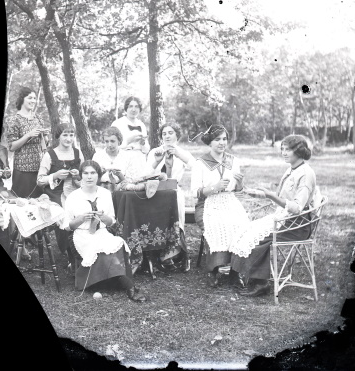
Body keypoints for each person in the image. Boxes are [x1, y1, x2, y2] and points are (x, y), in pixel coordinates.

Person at [230, 135, 319, 297]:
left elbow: (297, 208)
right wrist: (252, 191)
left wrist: (270, 195)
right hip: (285, 219)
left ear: (299, 151)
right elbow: (280, 198)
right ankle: (243, 275)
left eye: (288, 150)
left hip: (298, 226)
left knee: (258, 238)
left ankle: (261, 283)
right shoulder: (292, 169)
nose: (284, 153)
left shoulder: (306, 174)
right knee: (248, 230)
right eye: (282, 149)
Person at [62, 160, 147, 302]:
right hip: (82, 235)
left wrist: (103, 217)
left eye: (93, 173)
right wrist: (81, 218)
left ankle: (124, 283)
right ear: (81, 175)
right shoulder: (73, 197)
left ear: (99, 175)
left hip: (101, 232)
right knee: (101, 248)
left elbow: (111, 222)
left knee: (117, 243)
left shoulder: (106, 194)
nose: (89, 177)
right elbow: (67, 227)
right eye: (86, 173)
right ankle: (129, 286)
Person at [190, 124, 248, 287]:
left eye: (224, 139)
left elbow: (238, 190)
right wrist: (214, 187)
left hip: (229, 201)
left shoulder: (233, 161)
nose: (222, 143)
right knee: (215, 224)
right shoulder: (200, 163)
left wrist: (240, 183)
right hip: (207, 203)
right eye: (217, 139)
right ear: (210, 142)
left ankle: (235, 271)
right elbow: (194, 192)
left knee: (241, 225)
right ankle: (214, 269)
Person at [147, 121, 196, 271]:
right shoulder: (155, 152)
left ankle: (179, 255)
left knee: (177, 218)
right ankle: (159, 255)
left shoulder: (182, 152)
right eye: (164, 134)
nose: (167, 136)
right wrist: (157, 161)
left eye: (170, 133)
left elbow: (195, 166)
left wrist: (178, 154)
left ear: (177, 135)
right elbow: (146, 172)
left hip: (174, 190)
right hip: (156, 191)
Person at [37, 122, 84, 269]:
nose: (68, 139)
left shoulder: (77, 153)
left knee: (84, 211)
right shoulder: (49, 155)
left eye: (71, 135)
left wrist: (78, 175)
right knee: (64, 214)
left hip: (75, 191)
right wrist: (55, 175)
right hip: (55, 194)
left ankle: (84, 250)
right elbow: (39, 180)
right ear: (58, 136)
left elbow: (85, 175)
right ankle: (71, 255)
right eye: (65, 135)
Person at [5, 87, 49, 199]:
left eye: (34, 98)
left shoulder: (38, 118)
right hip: (23, 171)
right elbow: (11, 147)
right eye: (30, 98)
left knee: (39, 202)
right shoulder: (14, 120)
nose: (33, 101)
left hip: (40, 169)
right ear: (22, 99)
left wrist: (45, 136)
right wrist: (28, 135)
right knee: (22, 203)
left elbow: (44, 144)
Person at [92, 126, 130, 192]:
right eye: (107, 141)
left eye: (112, 141)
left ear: (119, 141)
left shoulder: (127, 156)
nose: (109, 144)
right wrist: (100, 173)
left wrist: (120, 176)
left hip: (121, 190)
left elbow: (130, 180)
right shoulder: (98, 156)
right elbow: (92, 178)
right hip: (100, 189)